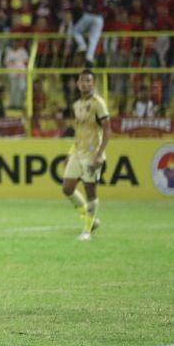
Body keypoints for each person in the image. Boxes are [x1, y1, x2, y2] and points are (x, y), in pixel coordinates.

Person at [61, 68, 110, 241]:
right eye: (82, 81)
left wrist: (99, 154)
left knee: (90, 191)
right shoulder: (77, 105)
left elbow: (107, 130)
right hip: (77, 151)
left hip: (91, 153)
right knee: (67, 188)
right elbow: (79, 132)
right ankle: (91, 220)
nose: (85, 84)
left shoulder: (99, 103)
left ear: (93, 83)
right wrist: (70, 152)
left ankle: (87, 231)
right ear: (77, 84)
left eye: (89, 81)